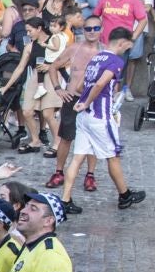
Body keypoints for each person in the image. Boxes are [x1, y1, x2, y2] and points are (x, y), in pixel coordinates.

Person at [58, 27, 146, 213]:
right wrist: (90, 101)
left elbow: (81, 86)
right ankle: (124, 195)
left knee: (77, 158)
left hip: (84, 117)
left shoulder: (96, 58)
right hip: (100, 117)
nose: (127, 50)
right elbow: (100, 84)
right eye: (128, 46)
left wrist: (83, 102)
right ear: (122, 42)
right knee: (113, 156)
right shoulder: (115, 61)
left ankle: (65, 200)